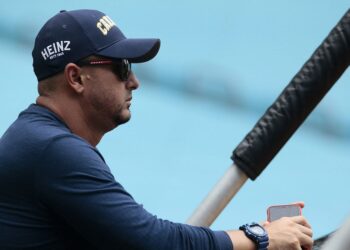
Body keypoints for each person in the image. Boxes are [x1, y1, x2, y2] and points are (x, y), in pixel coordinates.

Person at [0, 9, 313, 250]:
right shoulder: (54, 149)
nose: (134, 81)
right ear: (76, 78)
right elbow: (153, 241)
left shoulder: (40, 141)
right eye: (122, 67)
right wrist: (260, 237)